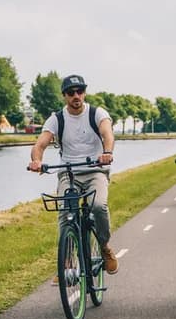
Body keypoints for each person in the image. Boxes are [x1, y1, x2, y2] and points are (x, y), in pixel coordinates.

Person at [27, 74, 119, 274]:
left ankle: (104, 247)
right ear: (64, 96)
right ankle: (67, 264)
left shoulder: (97, 113)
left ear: (84, 93)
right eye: (71, 93)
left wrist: (107, 152)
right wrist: (37, 161)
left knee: (98, 206)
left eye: (80, 91)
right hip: (68, 173)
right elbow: (40, 144)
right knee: (66, 213)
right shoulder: (57, 119)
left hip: (95, 170)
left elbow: (107, 134)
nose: (76, 96)